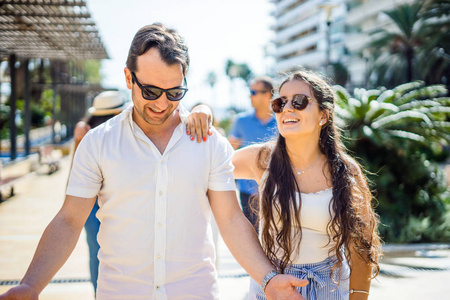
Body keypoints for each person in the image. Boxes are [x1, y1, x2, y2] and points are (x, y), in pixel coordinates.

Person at [0, 23, 308, 300]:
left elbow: (230, 219)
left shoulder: (210, 142)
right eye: (150, 90)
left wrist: (267, 280)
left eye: (174, 92)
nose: (162, 103)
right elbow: (69, 220)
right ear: (127, 77)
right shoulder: (98, 143)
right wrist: (31, 285)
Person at [188, 70, 382, 299]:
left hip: (329, 288)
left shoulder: (345, 171)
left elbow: (361, 249)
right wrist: (201, 112)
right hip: (272, 285)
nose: (287, 108)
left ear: (323, 116)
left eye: (299, 101)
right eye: (280, 102)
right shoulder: (261, 160)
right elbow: (206, 164)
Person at [72, 90, 128, 295]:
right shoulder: (123, 131)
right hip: (113, 200)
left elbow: (75, 174)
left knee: (95, 251)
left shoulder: (85, 132)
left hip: (89, 201)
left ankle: (99, 293)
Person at [228, 77, 278, 231]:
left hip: (277, 190)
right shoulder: (240, 121)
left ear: (268, 95)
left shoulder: (282, 121)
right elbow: (230, 151)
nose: (250, 96)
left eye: (254, 92)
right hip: (247, 191)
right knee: (253, 237)